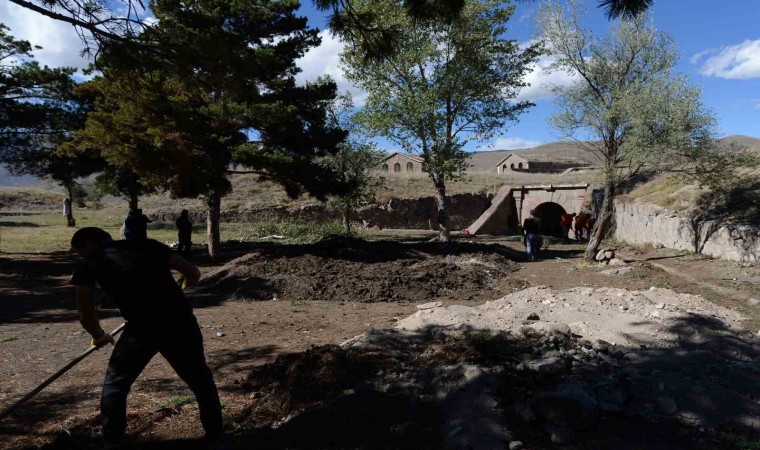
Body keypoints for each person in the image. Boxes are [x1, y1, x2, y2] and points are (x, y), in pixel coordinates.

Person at [69, 227, 225, 449]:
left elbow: (84, 312)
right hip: (179, 322)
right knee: (200, 379)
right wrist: (183, 285)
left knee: (116, 385)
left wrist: (99, 335)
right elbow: (193, 273)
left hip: (141, 329)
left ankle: (112, 442)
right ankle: (216, 436)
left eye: (80, 252)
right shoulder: (148, 245)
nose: (81, 256)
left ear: (88, 244)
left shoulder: (88, 263)